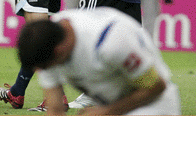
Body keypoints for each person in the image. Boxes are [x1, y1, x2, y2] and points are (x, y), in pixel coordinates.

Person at [17, 7, 181, 116]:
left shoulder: (111, 42)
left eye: (45, 68)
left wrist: (108, 112)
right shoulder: (47, 41)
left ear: (59, 51)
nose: (44, 72)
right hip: (108, 106)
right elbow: (55, 110)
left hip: (153, 106)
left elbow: (156, 86)